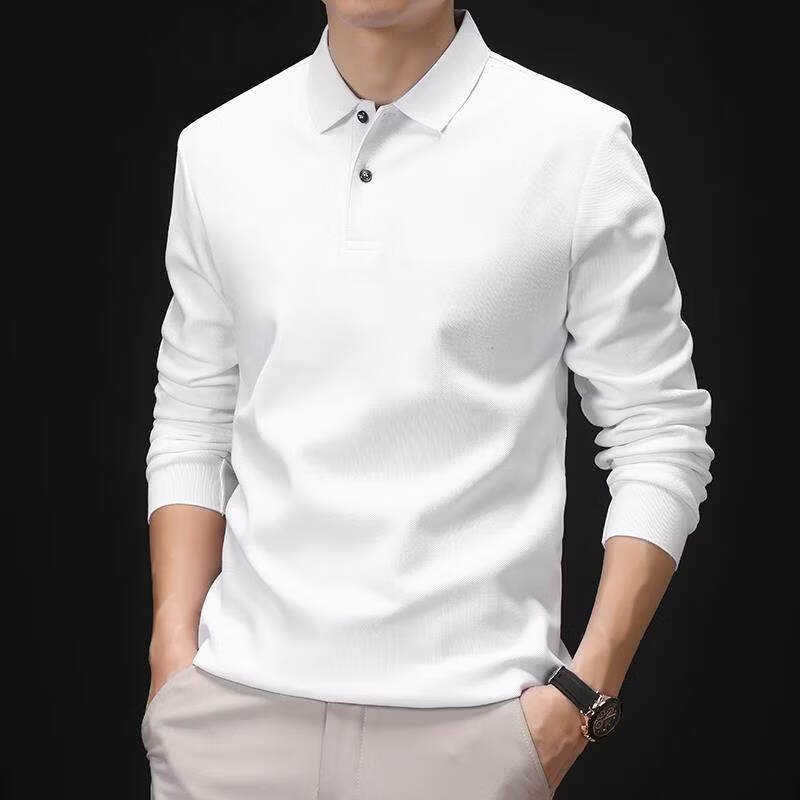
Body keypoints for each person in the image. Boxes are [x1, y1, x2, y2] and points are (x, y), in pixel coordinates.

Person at [140, 3, 714, 798]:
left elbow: (659, 429)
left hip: (471, 734)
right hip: (228, 724)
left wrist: (584, 695)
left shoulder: (576, 147)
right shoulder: (219, 149)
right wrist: (173, 654)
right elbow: (193, 414)